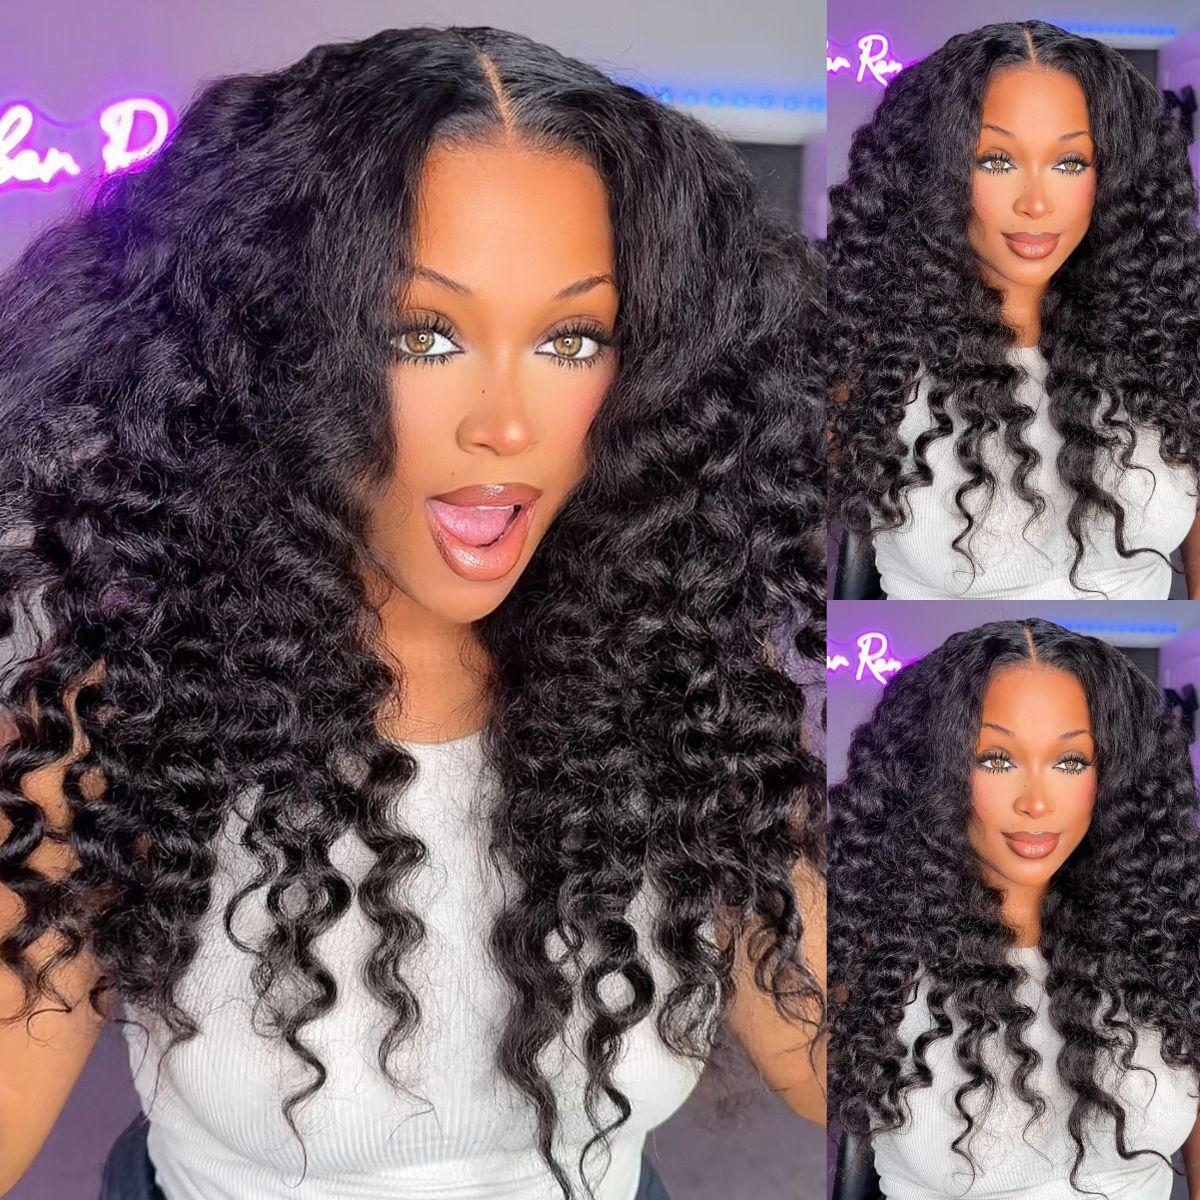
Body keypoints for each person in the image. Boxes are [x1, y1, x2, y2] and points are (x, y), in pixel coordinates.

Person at [0, 25, 826, 1200]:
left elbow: (854, 1064)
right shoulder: (122, 714)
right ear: (270, 351)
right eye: (421, 335)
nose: (506, 424)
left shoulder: (684, 689)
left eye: (572, 338)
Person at [829, 20, 1200, 601]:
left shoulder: (1170, 346)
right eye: (997, 161)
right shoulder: (865, 365)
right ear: (934, 173)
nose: (1036, 203)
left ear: (1114, 175)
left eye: (1070, 163)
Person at [829, 617, 1200, 1197]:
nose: (1036, 803)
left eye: (1070, 762)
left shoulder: (1167, 941)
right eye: (996, 759)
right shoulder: (867, 957)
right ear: (935, 770)